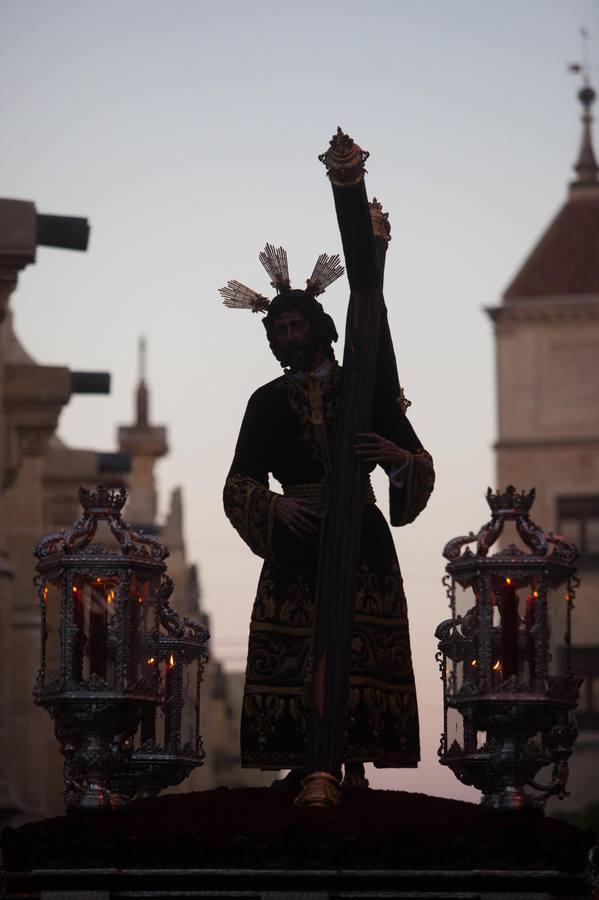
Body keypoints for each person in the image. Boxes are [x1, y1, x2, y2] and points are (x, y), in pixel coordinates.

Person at [221, 255, 434, 787]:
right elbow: (238, 484)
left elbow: (420, 463)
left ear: (320, 329)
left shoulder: (364, 390)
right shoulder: (264, 402)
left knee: (360, 646)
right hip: (295, 545)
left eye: (298, 326)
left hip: (361, 537)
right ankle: (305, 760)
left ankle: (356, 761)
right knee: (297, 650)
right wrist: (275, 506)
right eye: (279, 330)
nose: (289, 336)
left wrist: (396, 457)